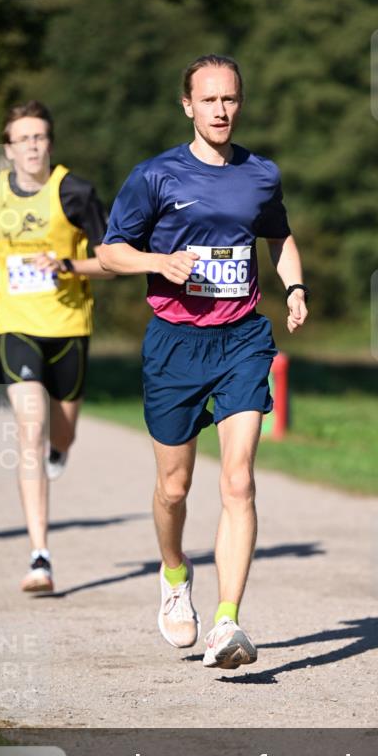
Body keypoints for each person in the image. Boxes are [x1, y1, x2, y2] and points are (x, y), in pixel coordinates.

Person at [98, 54, 308, 670]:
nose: (221, 110)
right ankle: (172, 573)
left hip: (242, 337)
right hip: (174, 342)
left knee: (238, 478)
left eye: (231, 99)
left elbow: (280, 235)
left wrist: (295, 288)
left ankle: (227, 622)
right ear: (188, 106)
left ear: (240, 104)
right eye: (209, 100)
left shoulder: (261, 174)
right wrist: (157, 263)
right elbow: (110, 252)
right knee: (174, 486)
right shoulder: (155, 177)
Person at [0, 101, 112, 590]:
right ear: (8, 148)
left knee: (59, 434)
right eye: (22, 138)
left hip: (69, 325)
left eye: (39, 137)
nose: (32, 145)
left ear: (50, 143)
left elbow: (112, 256)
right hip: (16, 322)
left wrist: (69, 266)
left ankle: (60, 449)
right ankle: (40, 556)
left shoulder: (76, 191)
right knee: (29, 430)